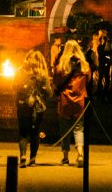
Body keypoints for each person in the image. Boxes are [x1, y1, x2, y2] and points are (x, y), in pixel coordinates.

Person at [53, 39, 90, 167]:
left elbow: (56, 81)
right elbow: (89, 80)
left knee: (65, 129)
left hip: (65, 100)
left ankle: (65, 157)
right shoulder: (85, 65)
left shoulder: (62, 65)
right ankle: (80, 154)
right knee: (79, 129)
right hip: (80, 101)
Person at [13, 49, 53, 167]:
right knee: (35, 132)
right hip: (38, 108)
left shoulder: (19, 72)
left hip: (22, 105)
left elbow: (13, 86)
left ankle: (23, 156)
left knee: (23, 133)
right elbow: (49, 93)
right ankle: (33, 159)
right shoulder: (42, 75)